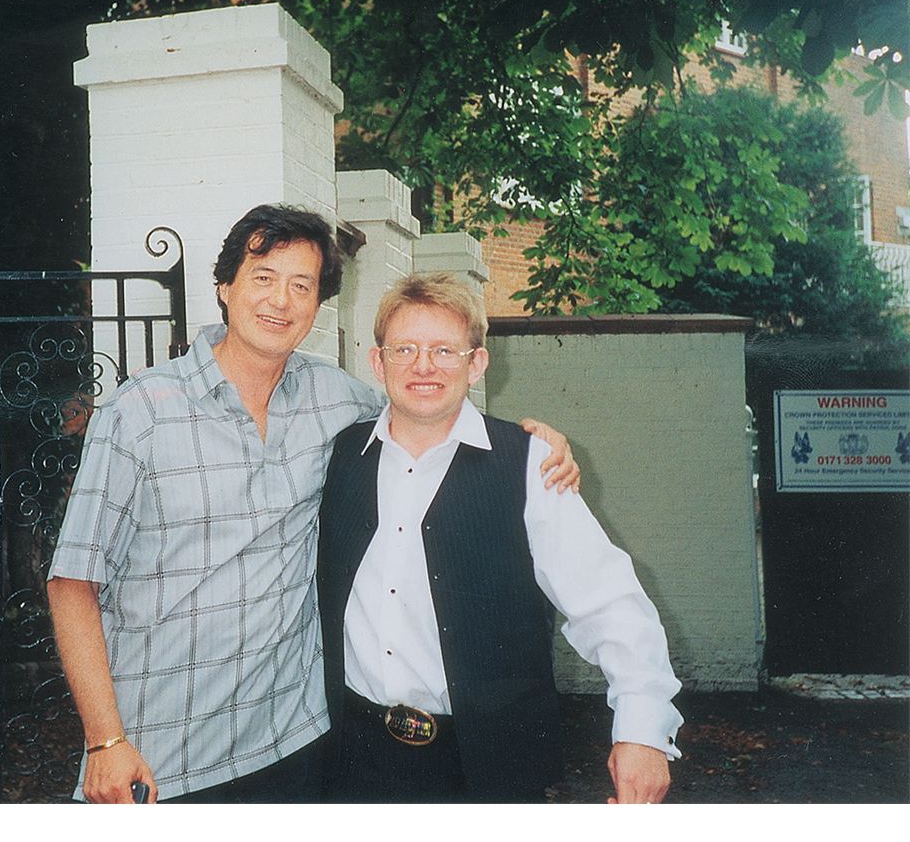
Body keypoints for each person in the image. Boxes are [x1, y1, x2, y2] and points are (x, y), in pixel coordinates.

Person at [47, 206, 580, 803]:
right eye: (263, 277)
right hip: (162, 752)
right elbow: (73, 583)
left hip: (294, 745)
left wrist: (530, 446)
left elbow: (425, 409)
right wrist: (105, 740)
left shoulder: (338, 402)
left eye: (301, 285)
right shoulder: (139, 413)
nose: (281, 300)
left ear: (318, 303)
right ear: (224, 287)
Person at [317, 272, 682, 804]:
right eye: (405, 349)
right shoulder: (339, 454)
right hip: (355, 760)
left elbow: (608, 601)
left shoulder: (530, 464)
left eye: (445, 350)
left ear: (477, 363)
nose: (423, 366)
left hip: (491, 766)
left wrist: (643, 730)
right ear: (378, 362)